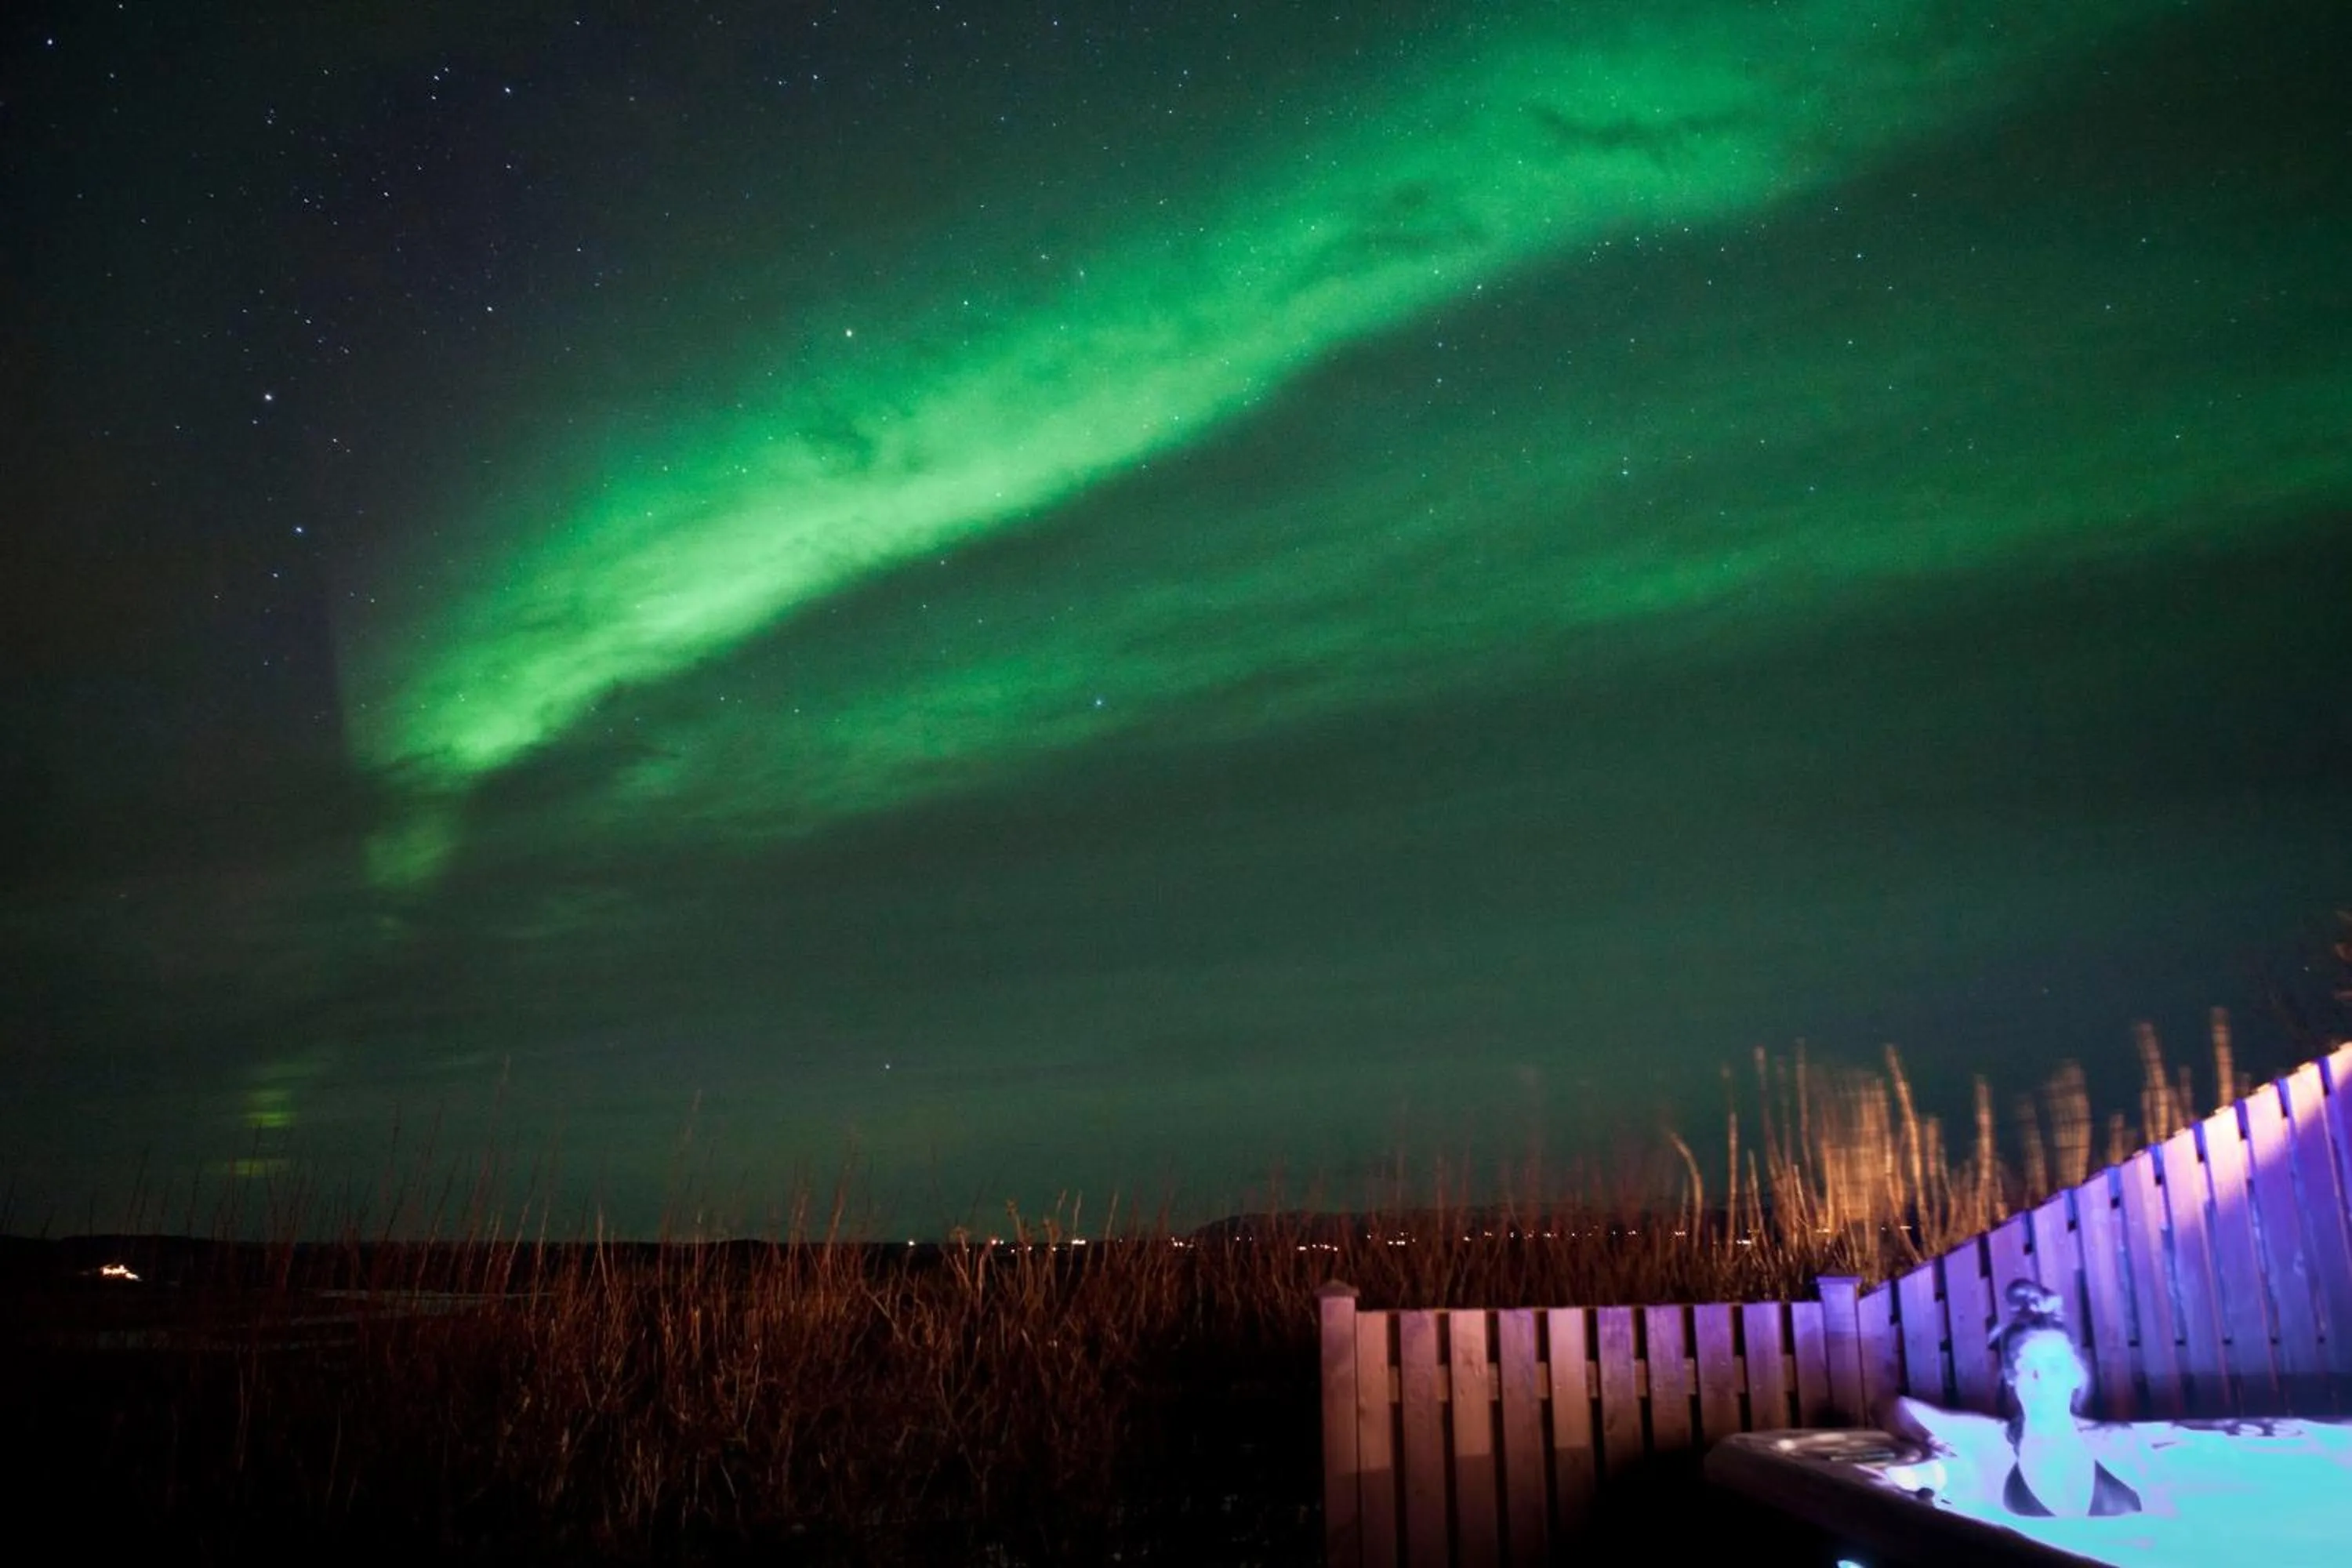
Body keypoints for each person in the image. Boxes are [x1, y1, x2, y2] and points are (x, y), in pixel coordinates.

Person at [1882, 1279, 2147, 1519]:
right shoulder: (1993, 1441)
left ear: (2075, 1374)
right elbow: (1894, 1408)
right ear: (2010, 1377)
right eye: (2027, 1367)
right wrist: (1928, 1440)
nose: (2040, 1378)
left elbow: (2172, 1521)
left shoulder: (2117, 1440)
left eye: (2054, 1367)